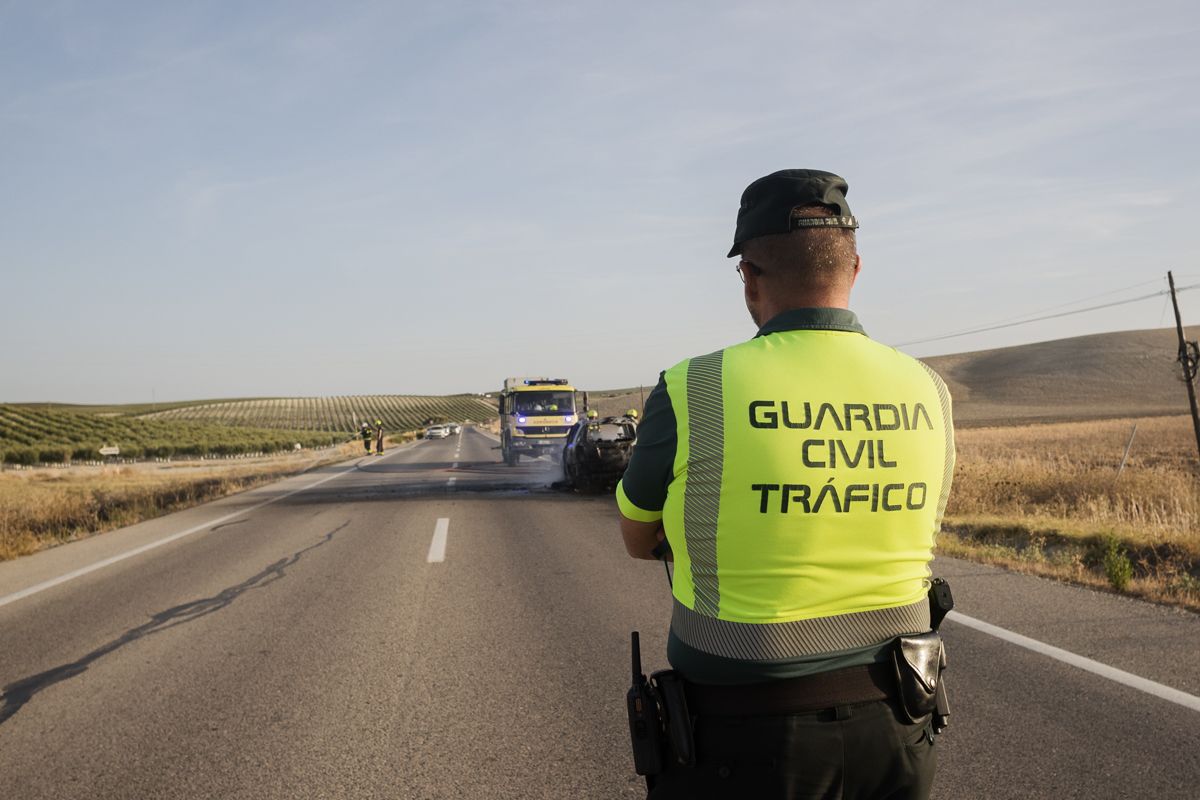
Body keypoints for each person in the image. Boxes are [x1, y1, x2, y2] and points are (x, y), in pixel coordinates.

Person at [616, 169, 955, 799]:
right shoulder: (929, 388)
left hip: (743, 735)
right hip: (900, 725)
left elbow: (639, 539)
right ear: (855, 267)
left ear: (749, 276)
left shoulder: (694, 387)